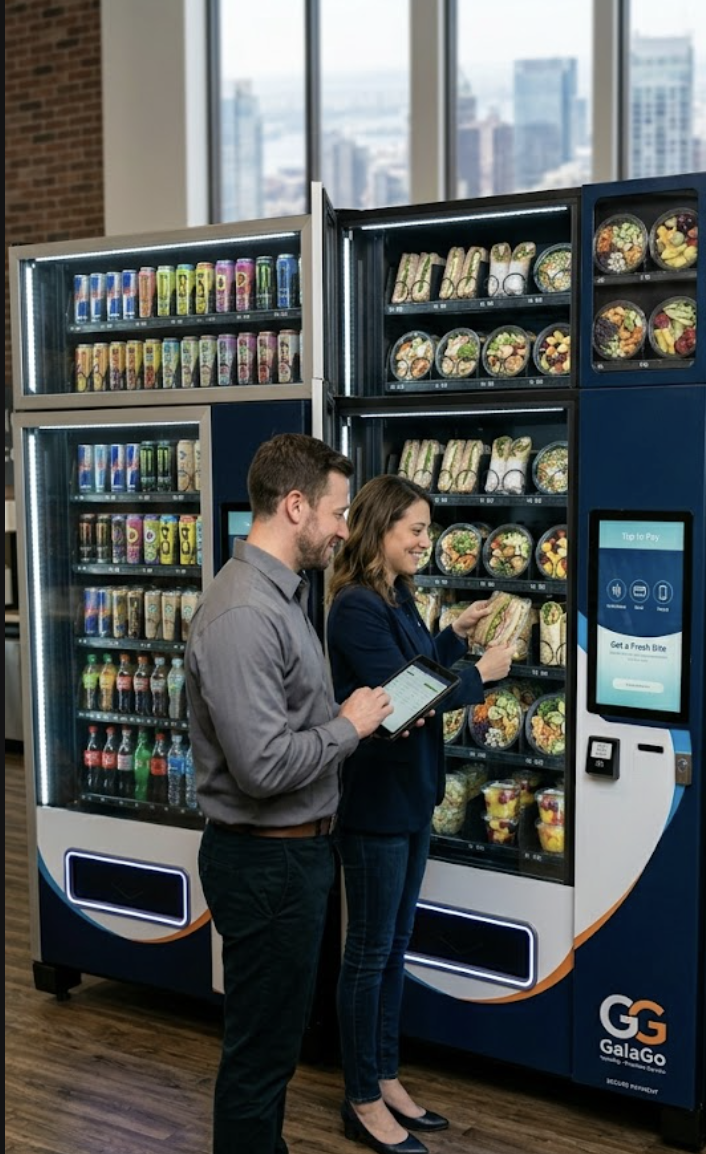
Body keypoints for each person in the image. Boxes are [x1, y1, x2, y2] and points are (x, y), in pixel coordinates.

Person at [186, 433, 394, 1154]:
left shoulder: (285, 596)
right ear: (295, 505)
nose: (344, 528)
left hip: (291, 858)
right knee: (259, 1061)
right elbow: (263, 768)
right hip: (265, 863)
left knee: (270, 1054)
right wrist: (348, 726)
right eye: (337, 512)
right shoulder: (245, 614)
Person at [326, 474, 514, 1154]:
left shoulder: (395, 595)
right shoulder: (353, 606)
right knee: (369, 955)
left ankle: (386, 1076)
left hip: (410, 795)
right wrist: (479, 676)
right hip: (374, 804)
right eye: (416, 529)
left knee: (393, 947)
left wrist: (450, 638)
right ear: (380, 530)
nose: (425, 541)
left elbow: (414, 674)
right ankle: (362, 1097)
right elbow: (398, 704)